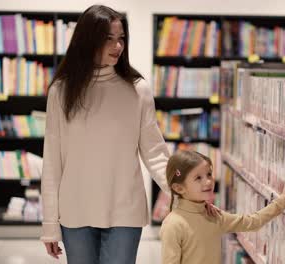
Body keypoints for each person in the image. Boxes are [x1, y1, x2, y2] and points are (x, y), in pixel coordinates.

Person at [39, 5, 172, 264]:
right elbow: (52, 163)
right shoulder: (61, 91)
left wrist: (182, 193)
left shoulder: (137, 90)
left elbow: (155, 152)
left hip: (124, 210)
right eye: (108, 38)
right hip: (75, 210)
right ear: (88, 40)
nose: (118, 46)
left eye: (121, 38)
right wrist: (49, 225)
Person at [160, 150, 285, 264]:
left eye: (209, 174)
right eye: (198, 178)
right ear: (179, 188)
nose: (208, 181)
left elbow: (252, 222)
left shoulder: (213, 215)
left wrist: (282, 202)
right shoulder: (173, 224)